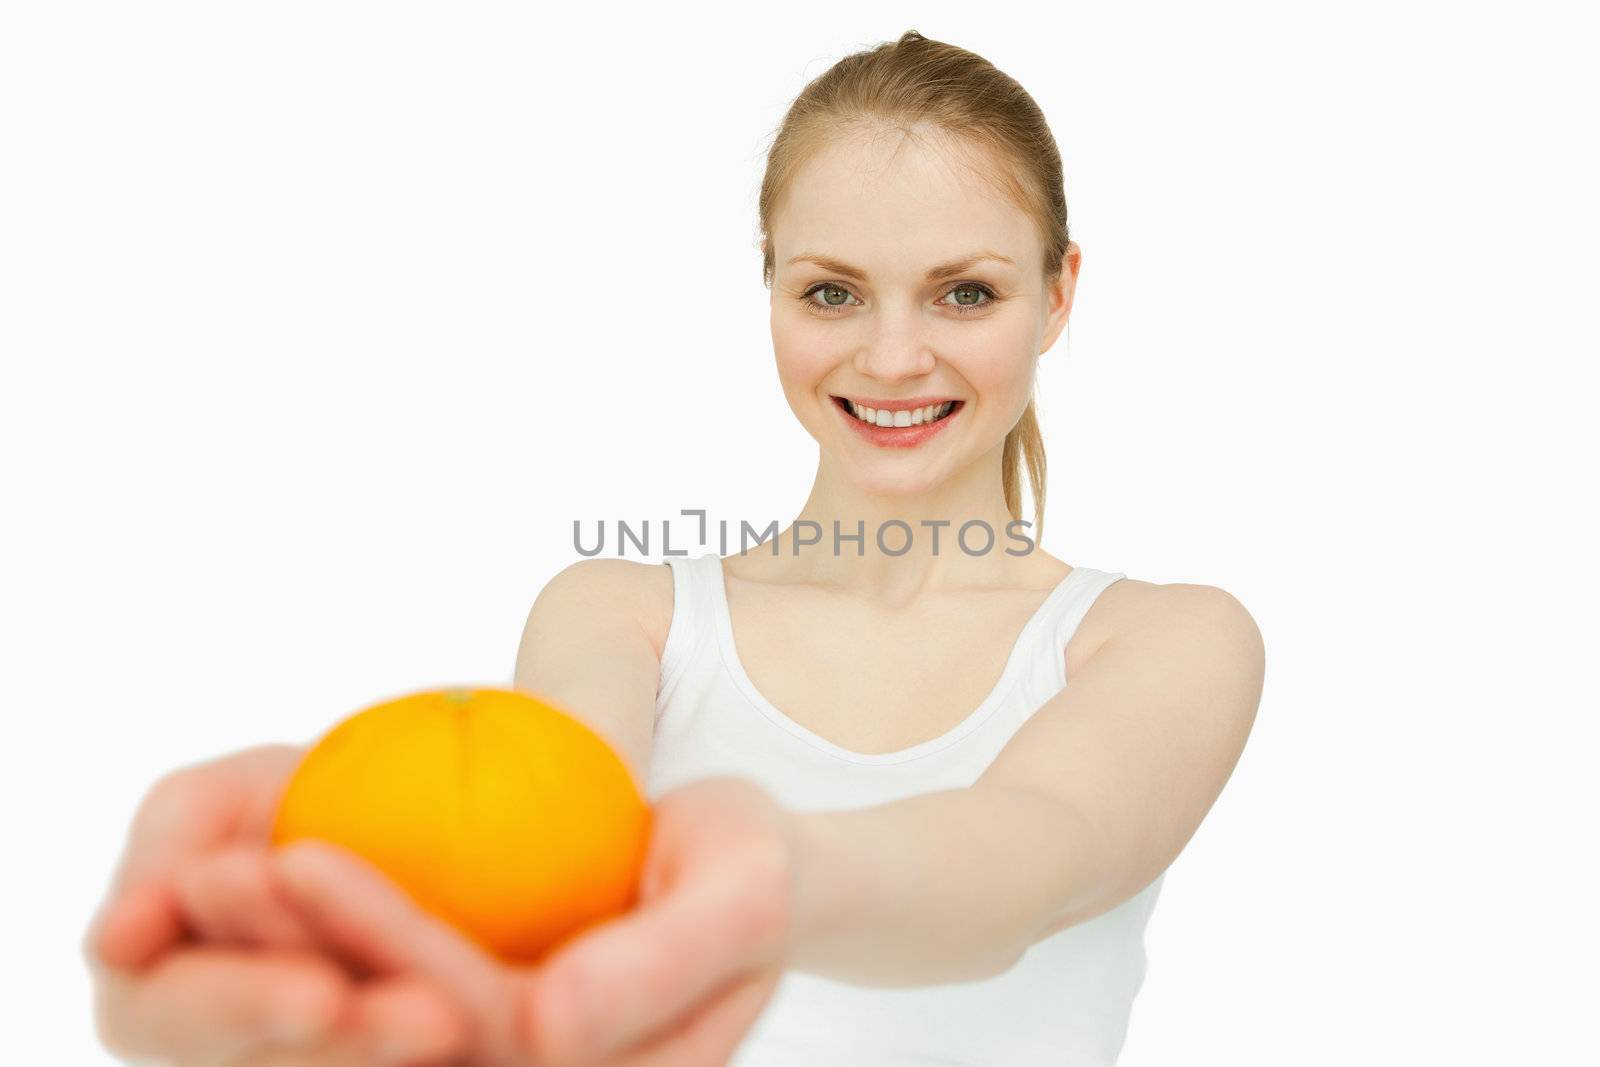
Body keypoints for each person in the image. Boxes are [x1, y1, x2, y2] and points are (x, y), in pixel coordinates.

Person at [83, 29, 1265, 1067]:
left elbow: (1026, 859)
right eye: (832, 292)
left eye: (963, 293)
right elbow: (541, 867)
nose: (894, 358)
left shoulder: (1166, 639)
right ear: (769, 286)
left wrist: (768, 880)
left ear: (1059, 295)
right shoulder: (623, 612)